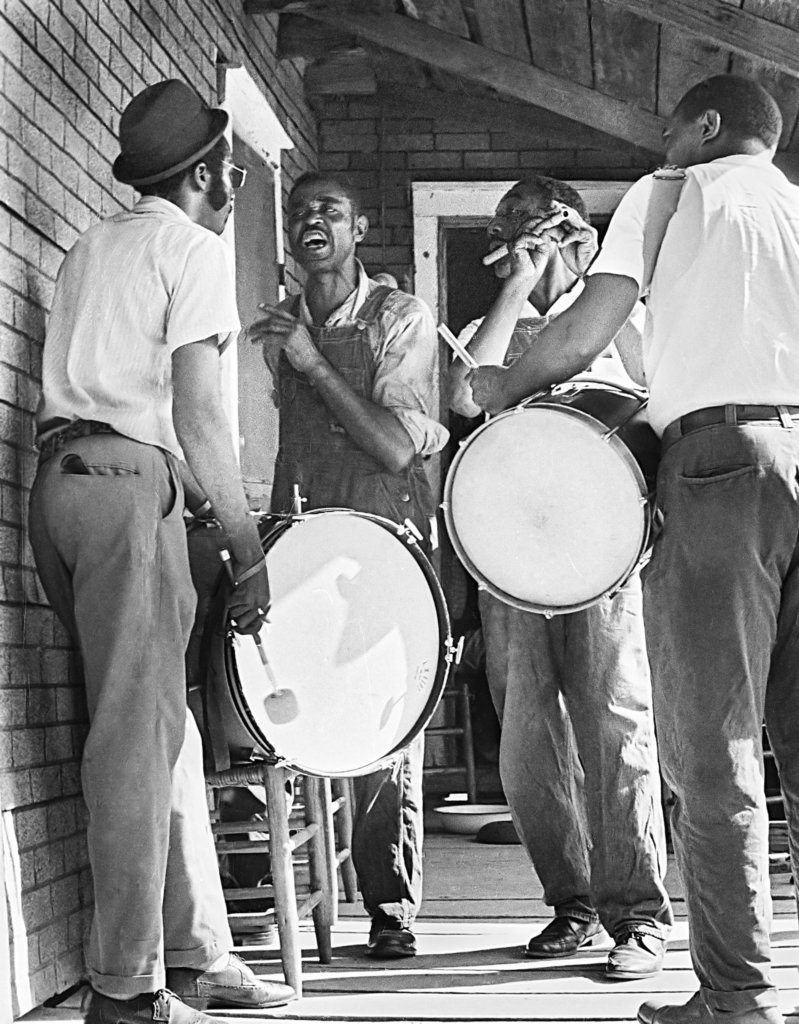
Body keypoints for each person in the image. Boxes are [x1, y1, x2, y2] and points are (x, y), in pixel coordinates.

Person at [468, 75, 796, 1024]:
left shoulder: (666, 194)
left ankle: (735, 996)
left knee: (714, 749)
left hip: (719, 467)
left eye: (669, 127)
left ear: (704, 126)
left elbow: (579, 334)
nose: (662, 142)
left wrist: (501, 385)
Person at [28, 80, 296, 1024]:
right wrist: (247, 544)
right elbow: (199, 414)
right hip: (128, 488)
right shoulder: (193, 250)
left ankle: (190, 954)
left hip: (56, 489)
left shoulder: (93, 245)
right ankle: (128, 994)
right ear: (202, 175)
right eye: (227, 169)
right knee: (137, 743)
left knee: (149, 727)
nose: (233, 186)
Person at [448, 176, 672, 979]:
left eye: (545, 233)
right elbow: (462, 398)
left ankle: (638, 916)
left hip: (604, 556)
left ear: (577, 236)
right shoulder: (487, 328)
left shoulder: (619, 319)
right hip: (510, 563)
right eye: (515, 234)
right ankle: (571, 905)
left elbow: (660, 411)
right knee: (528, 738)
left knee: (616, 725)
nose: (533, 248)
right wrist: (512, 289)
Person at [246, 171, 448, 959]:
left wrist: (312, 364)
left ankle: (389, 907)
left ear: (359, 227)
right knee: (296, 701)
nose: (309, 221)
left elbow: (397, 443)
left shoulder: (398, 316)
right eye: (297, 213)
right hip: (301, 527)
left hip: (382, 533)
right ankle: (292, 894)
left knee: (380, 716)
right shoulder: (275, 326)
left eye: (327, 209)